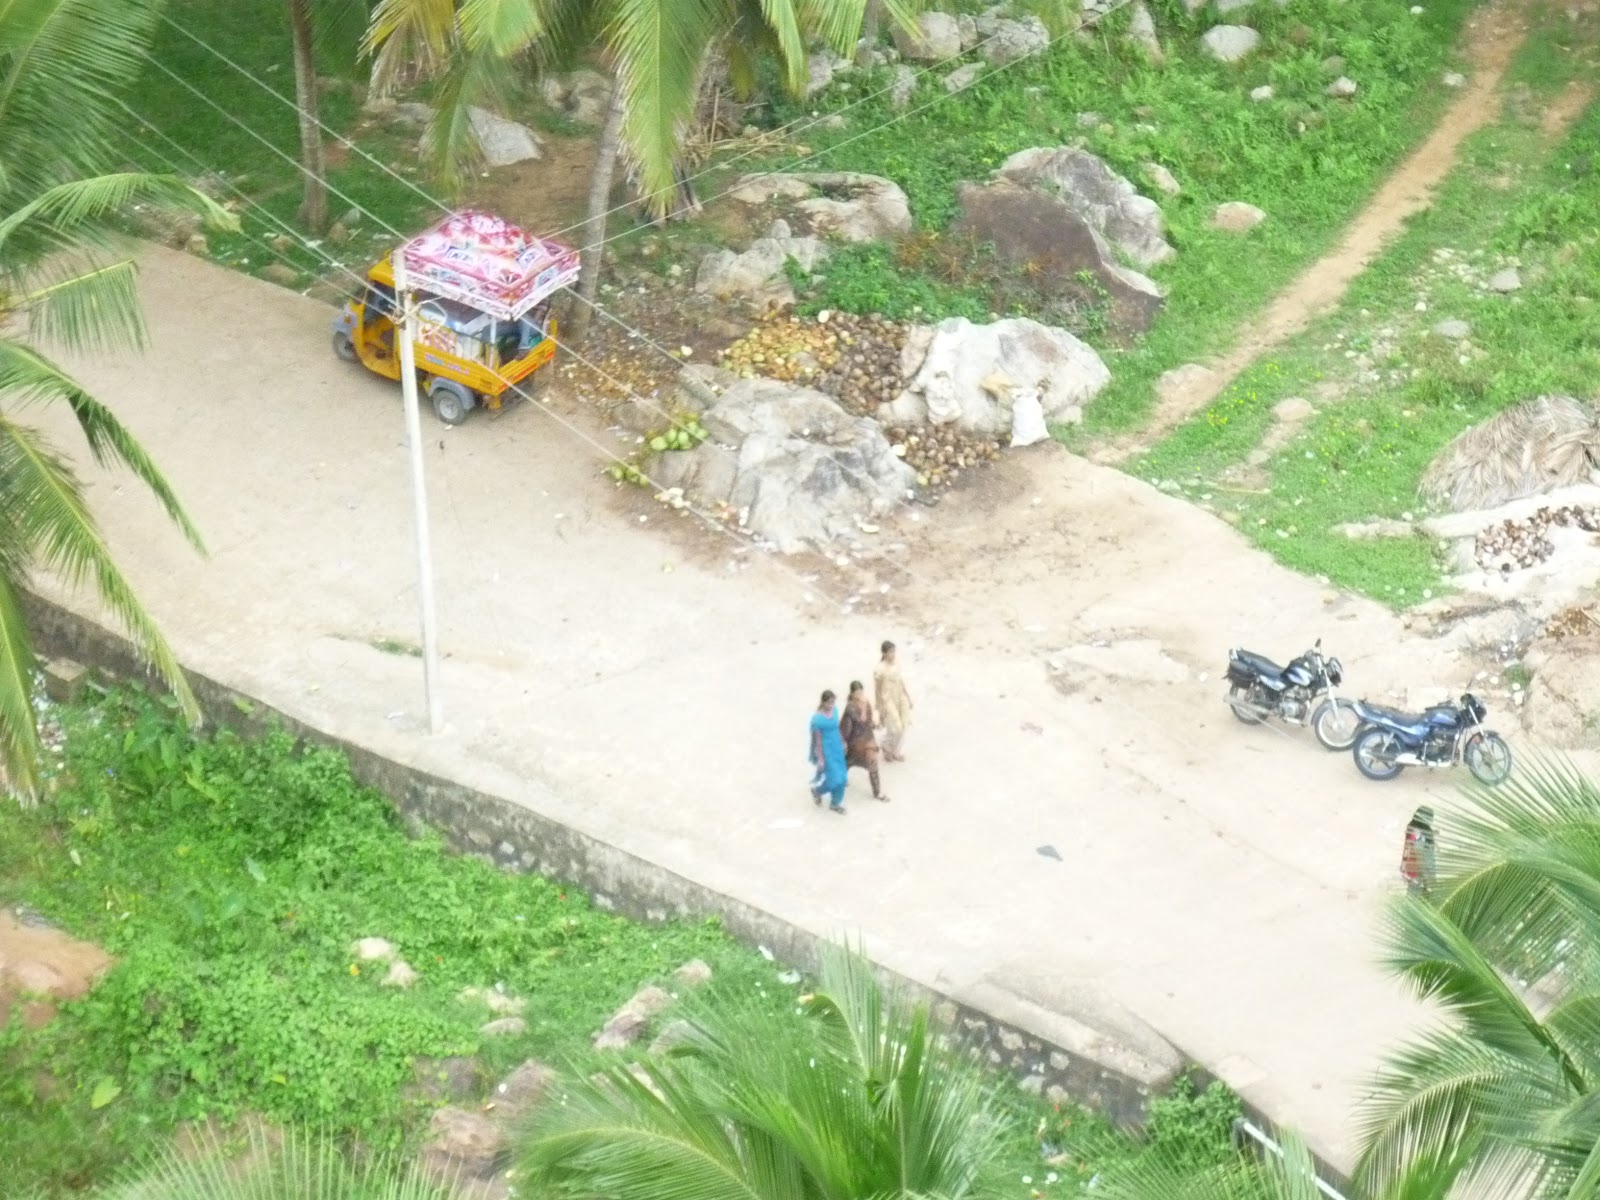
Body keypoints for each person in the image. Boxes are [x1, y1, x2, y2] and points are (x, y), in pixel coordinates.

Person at [840, 681, 889, 802]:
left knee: (872, 763)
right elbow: (851, 724)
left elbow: (869, 720)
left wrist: (874, 724)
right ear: (852, 694)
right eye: (857, 692)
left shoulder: (866, 703)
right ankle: (842, 779)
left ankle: (877, 792)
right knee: (847, 762)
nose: (860, 694)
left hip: (867, 739)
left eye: (861, 692)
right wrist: (844, 741)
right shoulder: (850, 707)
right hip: (855, 741)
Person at [808, 690, 848, 814]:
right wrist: (820, 758)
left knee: (842, 778)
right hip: (827, 752)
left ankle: (835, 803)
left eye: (833, 702)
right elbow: (817, 740)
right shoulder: (817, 719)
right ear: (823, 702)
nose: (831, 705)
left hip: (837, 749)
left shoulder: (835, 711)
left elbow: (837, 728)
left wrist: (843, 742)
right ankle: (817, 791)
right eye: (829, 702)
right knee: (834, 779)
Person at [873, 640, 913, 763]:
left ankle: (895, 750)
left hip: (900, 697)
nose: (893, 654)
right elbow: (877, 690)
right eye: (890, 652)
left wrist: (908, 697)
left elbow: (901, 681)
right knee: (895, 727)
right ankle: (885, 745)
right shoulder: (879, 669)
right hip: (888, 700)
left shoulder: (896, 664)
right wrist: (880, 708)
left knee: (904, 724)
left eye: (894, 651)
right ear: (884, 653)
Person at [1400, 806, 1438, 895]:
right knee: (1417, 894)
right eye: (1430, 818)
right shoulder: (1417, 833)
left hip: (1413, 868)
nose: (1431, 820)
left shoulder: (1413, 826)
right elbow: (1418, 851)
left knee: (1415, 893)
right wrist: (1427, 875)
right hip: (1419, 869)